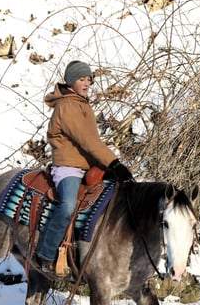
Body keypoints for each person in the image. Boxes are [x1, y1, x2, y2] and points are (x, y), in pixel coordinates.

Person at [34, 60, 134, 274]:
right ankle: (45, 253)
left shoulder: (81, 103)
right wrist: (114, 163)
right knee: (68, 205)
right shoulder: (68, 106)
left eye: (89, 79)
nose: (87, 83)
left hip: (87, 167)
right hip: (68, 167)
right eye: (82, 79)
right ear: (71, 82)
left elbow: (90, 144)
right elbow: (89, 141)